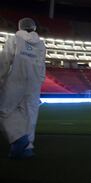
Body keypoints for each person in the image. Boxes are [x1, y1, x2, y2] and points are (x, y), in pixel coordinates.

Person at [0, 18, 46, 159]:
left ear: (19, 27)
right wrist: (39, 83)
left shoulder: (14, 40)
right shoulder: (41, 45)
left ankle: (19, 138)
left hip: (16, 80)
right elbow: (42, 67)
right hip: (34, 84)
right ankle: (27, 148)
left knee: (3, 109)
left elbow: (4, 62)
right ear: (34, 28)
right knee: (30, 115)